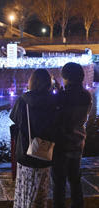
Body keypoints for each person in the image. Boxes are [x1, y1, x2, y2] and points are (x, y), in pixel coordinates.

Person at [10, 69, 58, 208]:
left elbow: (15, 119)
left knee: (24, 192)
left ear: (32, 81)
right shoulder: (54, 101)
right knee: (40, 193)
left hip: (26, 152)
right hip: (45, 152)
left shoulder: (23, 101)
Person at [52, 62, 92, 208]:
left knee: (59, 183)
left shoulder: (62, 96)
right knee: (75, 179)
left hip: (61, 145)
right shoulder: (86, 95)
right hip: (78, 142)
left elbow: (57, 118)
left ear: (66, 77)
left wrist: (57, 93)